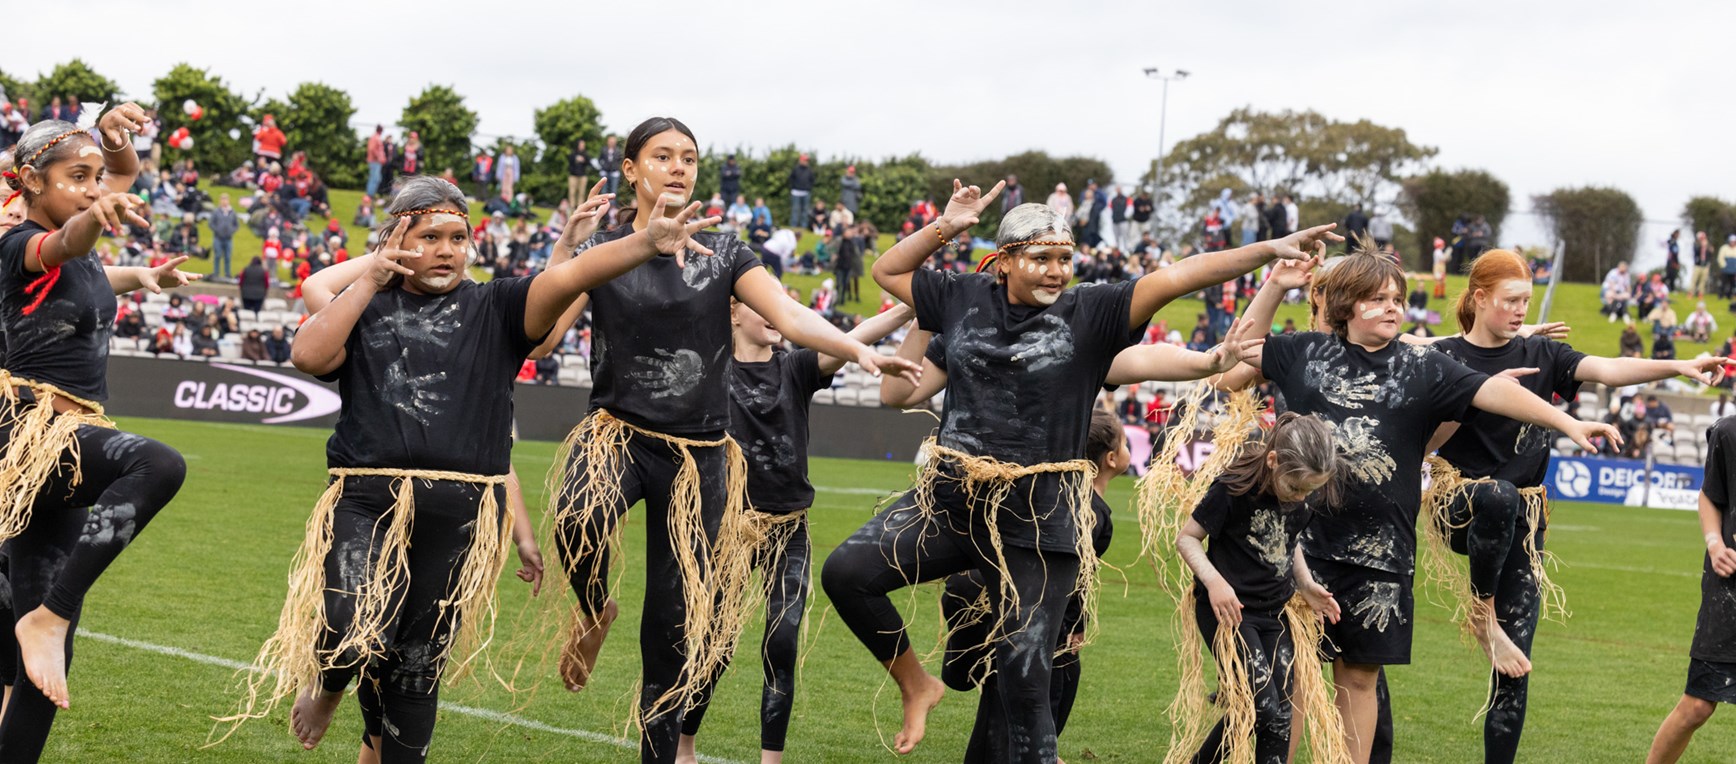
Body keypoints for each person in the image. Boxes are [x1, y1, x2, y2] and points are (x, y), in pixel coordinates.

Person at [821, 178, 1340, 761]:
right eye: (1040, 258)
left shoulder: (1090, 312)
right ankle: (917, 685)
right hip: (950, 503)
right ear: (1005, 261)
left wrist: (1267, 251)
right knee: (846, 573)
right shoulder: (963, 297)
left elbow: (1180, 275)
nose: (1055, 270)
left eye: (1065, 258)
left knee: (1025, 685)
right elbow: (887, 272)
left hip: (1037, 524)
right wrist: (949, 226)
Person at [219, 175, 699, 760]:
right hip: (369, 499)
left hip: (463, 515)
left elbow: (569, 278)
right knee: (349, 629)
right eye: (427, 236)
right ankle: (327, 686)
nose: (446, 249)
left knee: (417, 665)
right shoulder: (364, 304)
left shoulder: (495, 307)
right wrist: (373, 272)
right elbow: (308, 354)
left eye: (458, 236)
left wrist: (645, 242)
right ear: (394, 240)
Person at [535, 117, 917, 764]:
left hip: (698, 460)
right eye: (662, 156)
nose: (678, 167)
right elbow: (540, 339)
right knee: (577, 514)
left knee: (672, 635)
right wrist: (562, 255)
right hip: (617, 435)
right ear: (631, 169)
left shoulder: (726, 251)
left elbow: (789, 314)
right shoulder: (600, 248)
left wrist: (853, 345)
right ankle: (595, 608)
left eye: (688, 157)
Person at [1234, 250, 1619, 764]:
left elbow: (1495, 393)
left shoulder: (1423, 365)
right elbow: (1240, 347)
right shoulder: (1306, 352)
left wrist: (1568, 423)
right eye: (1378, 299)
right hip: (1301, 549)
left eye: (1398, 298)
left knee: (1360, 679)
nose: (1393, 308)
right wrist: (1277, 285)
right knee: (1292, 678)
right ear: (1347, 305)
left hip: (1381, 556)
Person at [1423, 249, 1726, 763]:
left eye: (1527, 301)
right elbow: (1395, 341)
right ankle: (1481, 611)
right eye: (1510, 301)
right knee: (1496, 494)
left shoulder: (1543, 354)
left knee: (1515, 670)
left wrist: (1680, 363)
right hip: (1459, 505)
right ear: (1478, 299)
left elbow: (1607, 368)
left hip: (1523, 522)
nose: (1522, 310)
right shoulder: (1442, 354)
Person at [0, 104, 201, 759]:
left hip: (61, 449)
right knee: (158, 465)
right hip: (27, 434)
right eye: (75, 177)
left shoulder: (81, 245)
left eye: (96, 178)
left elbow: (89, 258)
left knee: (38, 664)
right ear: (31, 181)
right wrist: (94, 212)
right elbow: (62, 245)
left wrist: (144, 274)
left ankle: (45, 622)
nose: (92, 188)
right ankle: (48, 615)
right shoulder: (16, 244)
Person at [675, 301, 915, 764]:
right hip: (730, 531)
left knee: (781, 641)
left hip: (789, 529)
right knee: (714, 646)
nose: (773, 312)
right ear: (732, 314)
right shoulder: (711, 370)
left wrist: (910, 307)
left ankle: (772, 760)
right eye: (760, 305)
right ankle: (684, 747)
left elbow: (857, 335)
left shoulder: (797, 367)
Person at [1174, 412, 1343, 764]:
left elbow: (1287, 538)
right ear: (1272, 461)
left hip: (1276, 613)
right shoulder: (1233, 487)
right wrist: (1215, 581)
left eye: (1309, 490)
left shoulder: (1304, 495)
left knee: (1280, 716)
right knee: (1259, 706)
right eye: (1296, 488)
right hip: (1229, 612)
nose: (1301, 497)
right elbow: (1187, 539)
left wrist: (1306, 583)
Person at [1646, 416, 1736, 763]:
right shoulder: (1728, 432)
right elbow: (1710, 495)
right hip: (1728, 590)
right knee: (1698, 705)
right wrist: (1715, 544)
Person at [208, 192, 239, 280]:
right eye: (223, 200)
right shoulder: (216, 211)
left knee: (227, 256)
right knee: (217, 255)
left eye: (226, 200)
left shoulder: (232, 212)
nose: (224, 202)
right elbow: (211, 223)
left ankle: (227, 273)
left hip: (228, 238)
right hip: (218, 237)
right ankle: (216, 273)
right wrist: (217, 230)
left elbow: (236, 225)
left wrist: (231, 231)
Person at [787, 153, 814, 229]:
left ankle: (803, 226)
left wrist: (808, 188)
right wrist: (793, 187)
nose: (806, 162)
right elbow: (791, 179)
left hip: (805, 192)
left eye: (807, 160)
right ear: (800, 160)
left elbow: (812, 180)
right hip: (796, 192)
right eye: (804, 160)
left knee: (805, 211)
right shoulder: (795, 169)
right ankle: (793, 225)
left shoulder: (809, 170)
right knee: (795, 210)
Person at [566, 138, 591, 211]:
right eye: (581, 144)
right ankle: (572, 208)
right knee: (572, 192)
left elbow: (589, 163)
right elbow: (570, 161)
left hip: (582, 176)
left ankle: (580, 208)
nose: (582, 146)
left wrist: (583, 160)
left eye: (583, 145)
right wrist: (576, 158)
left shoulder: (586, 154)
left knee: (581, 193)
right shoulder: (573, 153)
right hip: (573, 175)